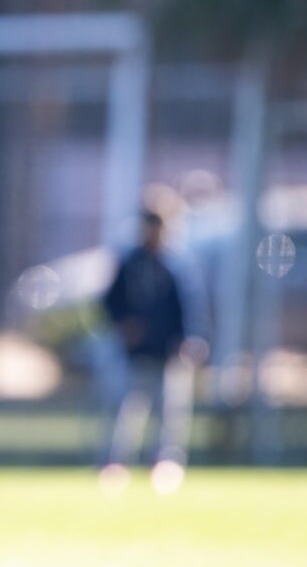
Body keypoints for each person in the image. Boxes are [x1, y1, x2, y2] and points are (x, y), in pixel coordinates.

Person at [98, 201, 208, 494]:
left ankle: (165, 464)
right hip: (135, 353)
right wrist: (124, 325)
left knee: (170, 412)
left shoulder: (177, 263)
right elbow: (110, 303)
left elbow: (190, 306)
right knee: (126, 411)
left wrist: (190, 339)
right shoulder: (130, 262)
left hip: (168, 352)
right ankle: (115, 464)